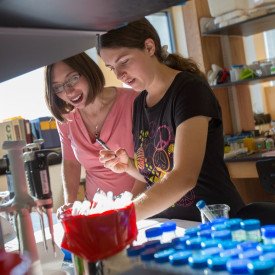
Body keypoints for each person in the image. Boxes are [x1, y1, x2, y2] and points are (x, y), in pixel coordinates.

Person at [96, 18, 245, 222]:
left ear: (149, 47)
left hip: (213, 224)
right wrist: (130, 166)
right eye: (112, 68)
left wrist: (123, 216)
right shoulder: (140, 103)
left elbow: (183, 177)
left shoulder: (189, 91)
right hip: (175, 226)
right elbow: (158, 176)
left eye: (124, 61)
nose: (120, 74)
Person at [45, 52, 146, 211]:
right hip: (98, 210)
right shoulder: (66, 119)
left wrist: (127, 210)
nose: (69, 91)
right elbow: (71, 163)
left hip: (142, 205)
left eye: (73, 78)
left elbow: (149, 168)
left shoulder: (135, 101)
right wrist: (70, 204)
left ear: (88, 70)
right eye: (58, 87)